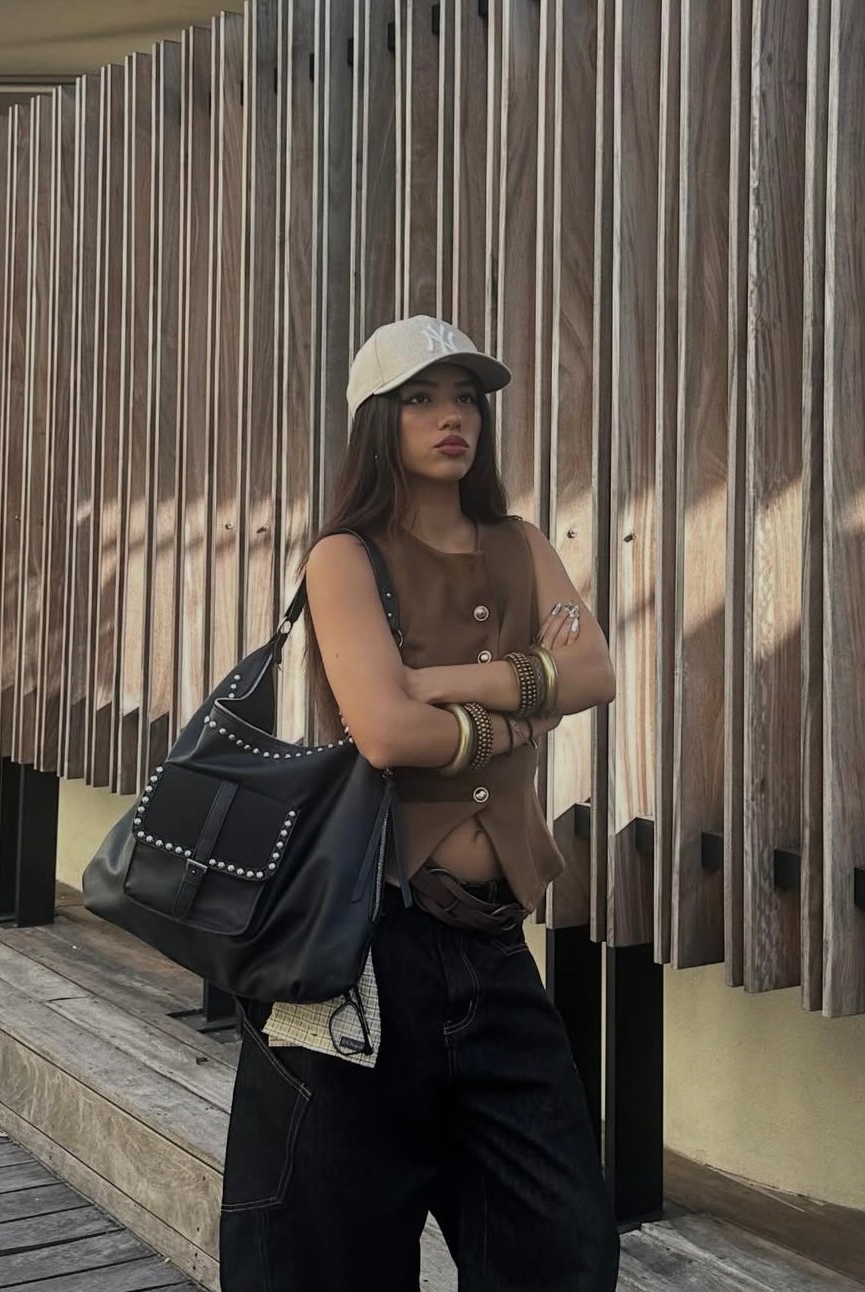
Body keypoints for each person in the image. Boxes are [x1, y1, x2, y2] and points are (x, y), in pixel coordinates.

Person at [218, 315, 620, 1290]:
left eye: (465, 398)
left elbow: (593, 670)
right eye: (421, 398)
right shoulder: (345, 557)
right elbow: (386, 733)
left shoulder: (523, 545)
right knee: (330, 1250)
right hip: (365, 947)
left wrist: (446, 682)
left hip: (493, 945)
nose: (453, 417)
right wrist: (519, 711)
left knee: (560, 1244)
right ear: (376, 420)